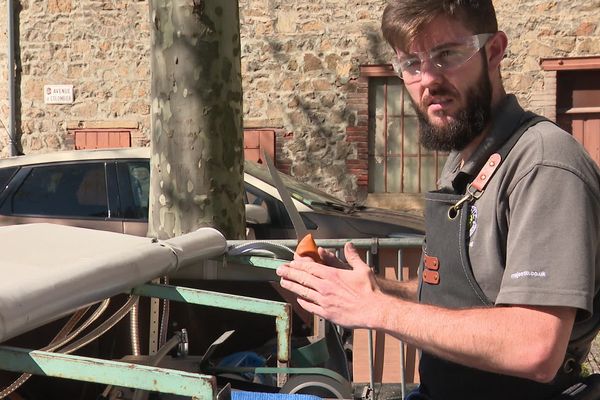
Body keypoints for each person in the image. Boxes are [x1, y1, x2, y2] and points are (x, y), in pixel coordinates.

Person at [276, 1, 600, 399]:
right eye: (411, 63)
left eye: (447, 54)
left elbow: (537, 345)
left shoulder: (543, 163)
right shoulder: (462, 161)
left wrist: (376, 310)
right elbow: (459, 297)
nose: (428, 78)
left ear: (494, 51)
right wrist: (365, 287)